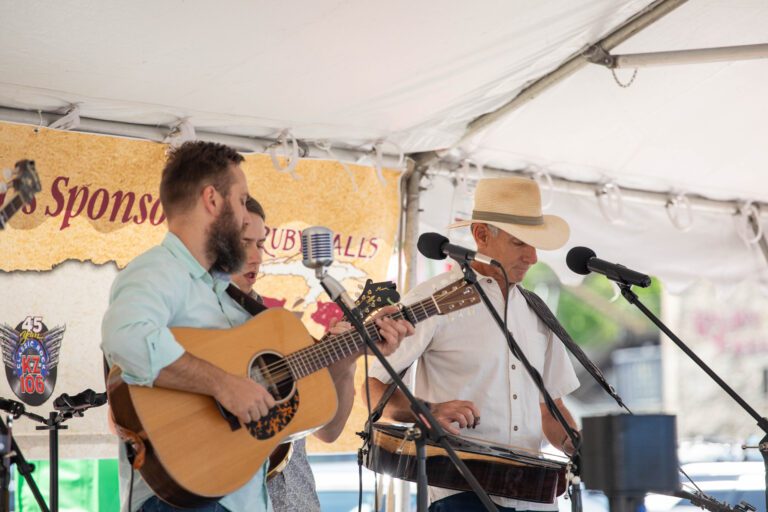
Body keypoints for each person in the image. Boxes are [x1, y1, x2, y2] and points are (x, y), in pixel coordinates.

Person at [101, 140, 414, 512]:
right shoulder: (160, 269)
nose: (243, 214)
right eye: (240, 199)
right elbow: (127, 337)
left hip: (236, 497)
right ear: (212, 201)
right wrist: (223, 384)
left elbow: (322, 425)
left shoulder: (230, 300)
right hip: (181, 498)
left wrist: (347, 354)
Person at [363, 176, 581, 512]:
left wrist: (576, 444)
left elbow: (549, 409)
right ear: (481, 235)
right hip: (459, 492)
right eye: (520, 242)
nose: (533, 256)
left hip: (535, 497)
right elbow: (372, 385)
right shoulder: (434, 300)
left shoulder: (538, 312)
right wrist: (428, 411)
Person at [230, 196, 359, 511]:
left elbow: (329, 431)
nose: (255, 256)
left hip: (296, 501)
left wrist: (345, 363)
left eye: (260, 244)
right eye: (243, 242)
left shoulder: (282, 329)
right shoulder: (188, 321)